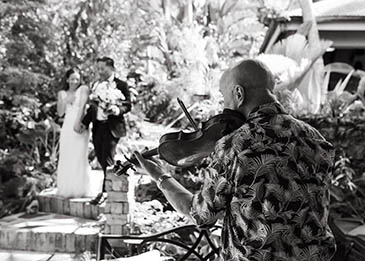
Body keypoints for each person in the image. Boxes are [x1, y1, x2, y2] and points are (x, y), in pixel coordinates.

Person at [134, 59, 336, 260]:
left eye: (224, 98)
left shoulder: (235, 145)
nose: (223, 108)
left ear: (239, 94)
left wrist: (160, 176)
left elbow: (201, 216)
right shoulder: (317, 140)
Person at [80, 57, 131, 205]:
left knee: (108, 159)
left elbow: (128, 105)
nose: (100, 71)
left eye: (102, 68)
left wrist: (117, 109)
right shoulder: (96, 85)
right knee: (102, 160)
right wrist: (84, 123)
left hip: (112, 128)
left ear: (111, 68)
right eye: (98, 68)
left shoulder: (121, 85)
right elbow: (92, 108)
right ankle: (108, 189)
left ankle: (104, 193)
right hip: (98, 127)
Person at [56, 67, 94, 198]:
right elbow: (60, 112)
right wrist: (65, 100)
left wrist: (77, 124)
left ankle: (80, 189)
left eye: (77, 79)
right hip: (67, 125)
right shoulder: (62, 93)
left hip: (79, 125)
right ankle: (66, 188)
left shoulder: (83, 90)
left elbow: (82, 107)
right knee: (66, 155)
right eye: (72, 79)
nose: (75, 81)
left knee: (79, 155)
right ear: (67, 79)